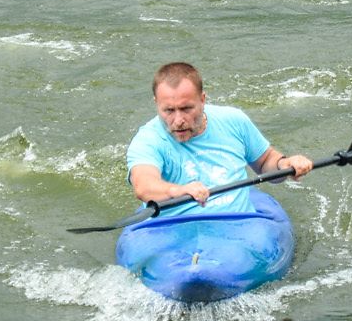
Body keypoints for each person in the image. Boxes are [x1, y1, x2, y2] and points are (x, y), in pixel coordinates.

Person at [127, 62, 313, 215]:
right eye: (169, 110)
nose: (178, 120)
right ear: (156, 103)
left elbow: (265, 162)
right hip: (175, 227)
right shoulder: (148, 140)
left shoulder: (234, 120)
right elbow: (144, 186)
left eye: (186, 109)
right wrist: (180, 191)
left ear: (202, 99)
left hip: (238, 223)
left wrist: (286, 165)